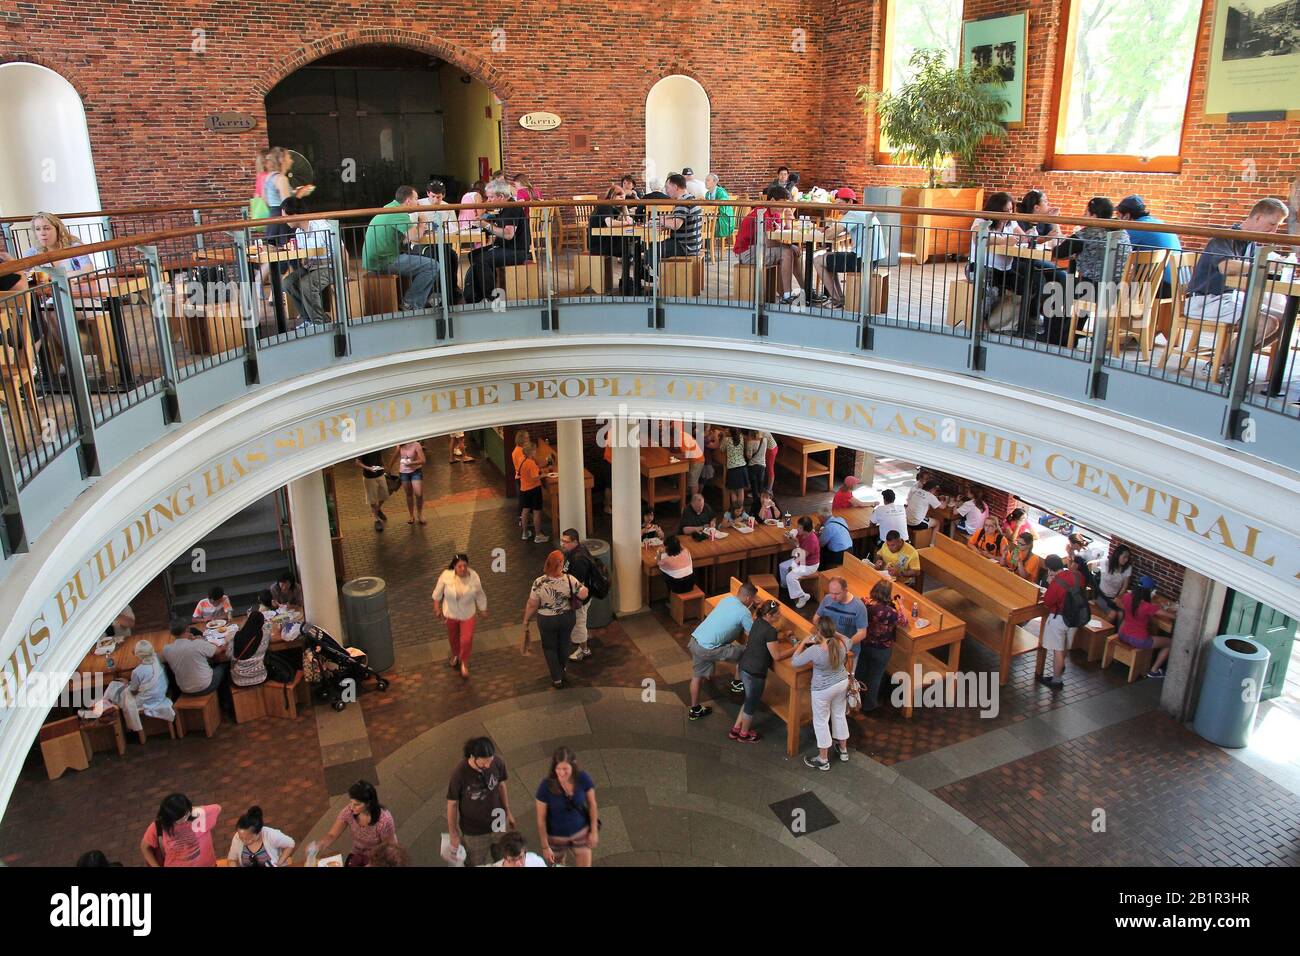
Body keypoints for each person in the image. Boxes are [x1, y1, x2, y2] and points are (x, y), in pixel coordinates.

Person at [1183, 198, 1290, 376]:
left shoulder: (1251, 243)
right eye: (1272, 224)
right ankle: (1222, 365)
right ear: (1258, 217)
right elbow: (1226, 267)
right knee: (1266, 322)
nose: (1274, 231)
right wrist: (1263, 265)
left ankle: (1228, 362)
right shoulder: (1225, 238)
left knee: (1286, 319)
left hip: (1230, 297)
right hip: (1204, 300)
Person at [21, 213, 91, 381]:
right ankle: (32, 369)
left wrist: (60, 276)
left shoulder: (73, 246)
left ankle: (72, 365)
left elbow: (88, 269)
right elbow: (23, 275)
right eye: (38, 229)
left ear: (57, 229)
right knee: (36, 316)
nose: (42, 233)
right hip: (47, 300)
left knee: (48, 312)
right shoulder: (33, 252)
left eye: (46, 228)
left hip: (80, 299)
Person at [969, 191, 1043, 334]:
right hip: (980, 267)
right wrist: (1002, 240)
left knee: (1029, 285)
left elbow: (1023, 237)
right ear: (995, 210)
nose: (1008, 213)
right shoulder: (982, 221)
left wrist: (1027, 236)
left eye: (1010, 210)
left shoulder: (1011, 222)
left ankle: (1015, 321)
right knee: (992, 288)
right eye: (1005, 211)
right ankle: (980, 320)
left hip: (1005, 269)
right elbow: (977, 238)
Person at [361, 185, 439, 311]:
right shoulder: (399, 214)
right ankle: (411, 303)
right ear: (408, 201)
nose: (418, 203)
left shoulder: (389, 208)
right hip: (385, 261)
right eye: (416, 199)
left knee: (420, 260)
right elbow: (415, 237)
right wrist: (423, 221)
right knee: (432, 265)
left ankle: (416, 300)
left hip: (374, 259)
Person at [729, 599, 797, 742]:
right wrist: (796, 648)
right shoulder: (770, 630)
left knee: (748, 700)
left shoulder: (757, 621)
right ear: (769, 615)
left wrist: (782, 635)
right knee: (751, 704)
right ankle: (744, 734)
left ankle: (736, 729)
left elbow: (765, 637)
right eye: (777, 614)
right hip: (756, 672)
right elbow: (777, 656)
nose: (780, 616)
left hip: (745, 667)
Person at [687, 581, 757, 718]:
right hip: (708, 649)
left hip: (695, 640)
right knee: (746, 652)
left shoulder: (727, 599)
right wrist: (753, 612)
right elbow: (753, 634)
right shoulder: (745, 612)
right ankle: (737, 684)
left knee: (697, 676)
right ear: (749, 599)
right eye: (753, 599)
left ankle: (694, 709)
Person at [522, 550, 588, 688]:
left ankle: (556, 678)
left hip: (547, 620)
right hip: (567, 618)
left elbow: (532, 604)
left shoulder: (539, 582)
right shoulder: (569, 579)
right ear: (561, 564)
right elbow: (583, 594)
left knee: (549, 647)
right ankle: (562, 669)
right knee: (564, 644)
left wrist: (526, 620)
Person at [446, 737, 515, 867]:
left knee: (503, 857)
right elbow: (452, 803)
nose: (488, 766)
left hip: (498, 819)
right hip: (474, 830)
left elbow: (501, 785)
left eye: (490, 761)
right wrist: (453, 834)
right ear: (473, 757)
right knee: (476, 862)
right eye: (483, 763)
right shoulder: (460, 773)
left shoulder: (497, 762)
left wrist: (508, 811)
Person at [811, 188, 884, 307]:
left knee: (818, 260)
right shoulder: (861, 211)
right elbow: (839, 230)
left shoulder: (853, 213)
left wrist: (827, 230)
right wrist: (829, 229)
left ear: (850, 202)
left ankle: (836, 299)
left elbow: (830, 235)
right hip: (872, 258)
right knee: (829, 257)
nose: (838, 209)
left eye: (840, 204)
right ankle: (839, 297)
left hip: (862, 260)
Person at [794, 617, 851, 770]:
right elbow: (848, 640)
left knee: (821, 721)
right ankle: (843, 750)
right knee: (839, 714)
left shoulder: (815, 650)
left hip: (823, 689)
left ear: (819, 632)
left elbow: (795, 661)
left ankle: (823, 759)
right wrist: (834, 633)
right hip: (841, 683)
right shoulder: (841, 643)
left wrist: (802, 644)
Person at [464, 178, 531, 304]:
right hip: (504, 247)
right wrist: (486, 217)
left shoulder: (512, 208)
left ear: (501, 196)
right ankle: (477, 293)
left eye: (490, 198)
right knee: (473, 254)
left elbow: (508, 234)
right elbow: (500, 219)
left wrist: (486, 225)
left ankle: (490, 296)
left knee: (482, 259)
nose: (488, 201)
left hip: (516, 251)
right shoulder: (505, 207)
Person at [734, 185, 802, 302]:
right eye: (782, 204)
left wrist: (789, 221)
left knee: (793, 252)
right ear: (772, 200)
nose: (784, 207)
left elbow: (780, 234)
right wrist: (789, 246)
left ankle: (805, 290)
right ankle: (786, 295)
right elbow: (768, 242)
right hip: (746, 252)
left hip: (759, 247)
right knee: (787, 253)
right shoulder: (762, 213)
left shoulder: (775, 213)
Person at [534, 746, 599, 866]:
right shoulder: (546, 786)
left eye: (565, 768)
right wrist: (545, 847)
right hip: (556, 838)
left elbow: (592, 805)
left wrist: (594, 831)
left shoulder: (583, 778)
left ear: (573, 765)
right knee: (558, 865)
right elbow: (541, 819)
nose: (561, 772)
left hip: (581, 833)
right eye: (558, 768)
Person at [277, 196, 335, 325]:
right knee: (287, 283)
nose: (284, 221)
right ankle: (309, 319)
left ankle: (319, 324)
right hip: (311, 267)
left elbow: (341, 250)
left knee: (306, 284)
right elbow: (305, 258)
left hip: (330, 266)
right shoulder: (298, 232)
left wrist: (344, 275)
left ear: (295, 214)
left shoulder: (321, 226)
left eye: (285, 216)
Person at [315, 780, 399, 867]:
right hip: (357, 853)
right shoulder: (349, 811)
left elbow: (389, 849)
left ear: (369, 803)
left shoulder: (384, 820)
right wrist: (320, 844)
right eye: (351, 802)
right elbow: (332, 835)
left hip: (377, 857)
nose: (351, 807)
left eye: (357, 804)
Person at [433, 552, 488, 679]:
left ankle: (464, 661)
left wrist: (483, 609)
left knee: (466, 639)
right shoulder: (446, 576)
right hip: (450, 613)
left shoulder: (474, 577)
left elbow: (480, 594)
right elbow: (437, 593)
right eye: (459, 566)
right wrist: (436, 608)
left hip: (467, 613)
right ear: (454, 567)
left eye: (465, 566)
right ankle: (455, 654)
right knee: (453, 637)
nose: (463, 569)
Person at [100, 639, 174, 733]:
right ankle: (105, 705)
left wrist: (128, 684)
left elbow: (133, 691)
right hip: (160, 692)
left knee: (113, 686)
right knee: (117, 687)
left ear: (138, 655)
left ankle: (107, 707)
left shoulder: (138, 671)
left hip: (146, 700)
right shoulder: (156, 660)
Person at [1115, 195, 1182, 297]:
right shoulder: (1157, 222)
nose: (1116, 219)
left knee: (1110, 289)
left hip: (1161, 286)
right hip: (1180, 283)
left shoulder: (1134, 227)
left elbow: (1116, 251)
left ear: (1127, 216)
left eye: (1118, 215)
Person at [1039, 554, 1085, 688]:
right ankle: (1058, 672)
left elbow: (1048, 602)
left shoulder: (1056, 583)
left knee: (1058, 650)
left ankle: (1057, 680)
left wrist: (1050, 583)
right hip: (1076, 618)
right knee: (1065, 647)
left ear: (1049, 569)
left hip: (1060, 618)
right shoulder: (1077, 576)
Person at [856, 580, 901, 711]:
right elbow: (903, 620)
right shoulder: (890, 612)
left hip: (864, 643)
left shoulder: (864, 603)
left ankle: (854, 700)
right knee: (876, 675)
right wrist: (900, 603)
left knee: (860, 670)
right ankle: (869, 704)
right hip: (882, 648)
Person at [140, 794, 220, 867]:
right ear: (168, 817)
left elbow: (218, 808)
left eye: (186, 814)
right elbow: (145, 847)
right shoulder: (158, 827)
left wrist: (189, 810)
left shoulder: (199, 814)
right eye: (180, 818)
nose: (185, 819)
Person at [1117, 579, 1175, 677]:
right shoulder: (1147, 607)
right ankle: (1154, 670)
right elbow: (1172, 616)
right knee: (1170, 643)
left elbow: (1121, 604)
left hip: (1122, 634)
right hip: (1139, 640)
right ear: (1149, 592)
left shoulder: (1127, 597)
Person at [416, 179, 462, 302]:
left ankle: (451, 289)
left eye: (439, 197)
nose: (436, 200)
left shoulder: (447, 207)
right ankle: (434, 292)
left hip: (442, 242)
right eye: (433, 197)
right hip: (423, 244)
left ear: (443, 196)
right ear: (427, 193)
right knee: (436, 257)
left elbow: (455, 226)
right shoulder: (418, 205)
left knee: (452, 256)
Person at [261, 146, 316, 246]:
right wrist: (300, 193)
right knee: (288, 255)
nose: (291, 160)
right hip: (284, 223)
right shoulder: (282, 179)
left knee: (275, 256)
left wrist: (293, 193)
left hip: (273, 221)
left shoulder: (269, 177)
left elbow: (266, 200)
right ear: (282, 159)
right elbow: (288, 205)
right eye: (289, 157)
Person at [589, 185, 637, 291]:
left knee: (629, 248)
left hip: (605, 240)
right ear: (612, 196)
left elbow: (628, 219)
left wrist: (624, 207)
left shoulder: (612, 207)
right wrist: (626, 222)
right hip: (598, 244)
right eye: (620, 197)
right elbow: (609, 223)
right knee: (628, 250)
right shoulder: (605, 205)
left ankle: (626, 280)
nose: (622, 200)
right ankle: (626, 281)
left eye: (624, 198)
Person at [162, 619, 229, 694]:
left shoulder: (166, 649)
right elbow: (219, 650)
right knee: (225, 665)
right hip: (205, 686)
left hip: (184, 689)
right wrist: (226, 641)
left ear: (171, 633)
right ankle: (226, 701)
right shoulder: (198, 643)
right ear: (188, 629)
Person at [561, 529, 597, 662]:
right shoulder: (575, 552)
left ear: (575, 542)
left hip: (580, 598)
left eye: (566, 542)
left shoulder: (578, 559)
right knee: (581, 619)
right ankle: (584, 637)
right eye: (562, 540)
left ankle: (584, 649)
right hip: (582, 594)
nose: (562, 544)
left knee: (579, 621)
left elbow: (577, 583)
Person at [812, 576, 869, 659]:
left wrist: (846, 644)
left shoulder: (859, 606)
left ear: (845, 590)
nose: (833, 597)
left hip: (847, 652)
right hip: (827, 646)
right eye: (831, 592)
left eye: (837, 594)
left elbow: (862, 633)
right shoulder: (827, 599)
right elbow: (816, 618)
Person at [652, 173, 702, 264]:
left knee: (651, 252)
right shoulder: (691, 198)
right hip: (693, 245)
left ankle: (656, 277)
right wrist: (666, 224)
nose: (666, 191)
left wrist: (661, 219)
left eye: (667, 187)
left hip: (684, 246)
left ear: (675, 187)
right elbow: (683, 221)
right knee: (655, 248)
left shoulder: (682, 202)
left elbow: (676, 225)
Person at [230, 591, 274, 687]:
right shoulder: (265, 635)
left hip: (239, 680)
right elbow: (269, 634)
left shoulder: (236, 636)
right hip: (260, 676)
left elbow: (229, 655)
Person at [227, 806, 296, 867]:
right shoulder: (237, 837)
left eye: (248, 838)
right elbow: (232, 859)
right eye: (241, 837)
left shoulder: (270, 834)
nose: (244, 841)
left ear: (259, 832)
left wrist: (279, 863)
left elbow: (290, 843)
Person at [779, 516, 821, 609]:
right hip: (801, 561)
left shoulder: (812, 541)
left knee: (790, 577)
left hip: (810, 565)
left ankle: (802, 596)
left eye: (799, 527)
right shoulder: (802, 533)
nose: (797, 529)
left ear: (805, 529)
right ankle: (788, 588)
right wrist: (790, 537)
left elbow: (801, 556)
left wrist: (796, 543)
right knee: (782, 566)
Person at [517, 442, 548, 543]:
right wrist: (544, 475)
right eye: (535, 450)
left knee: (525, 511)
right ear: (531, 452)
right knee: (536, 512)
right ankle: (538, 535)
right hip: (534, 489)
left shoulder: (522, 459)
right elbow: (535, 477)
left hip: (524, 489)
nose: (536, 452)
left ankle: (525, 533)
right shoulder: (531, 463)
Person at [394, 437, 427, 524]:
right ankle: (411, 515)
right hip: (404, 473)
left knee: (418, 493)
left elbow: (423, 460)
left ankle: (419, 514)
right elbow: (395, 456)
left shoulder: (416, 444)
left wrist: (411, 463)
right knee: (409, 494)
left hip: (416, 471)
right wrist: (389, 467)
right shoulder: (400, 445)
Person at [356, 450, 390, 532]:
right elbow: (357, 462)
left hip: (380, 474)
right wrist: (368, 468)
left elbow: (380, 456)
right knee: (372, 499)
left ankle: (377, 510)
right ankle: (376, 519)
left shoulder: (377, 446)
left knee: (385, 495)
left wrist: (385, 467)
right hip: (369, 477)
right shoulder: (362, 449)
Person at [1096, 545, 1133, 618]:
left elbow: (1125, 586)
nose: (1126, 560)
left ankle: (1117, 630)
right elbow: (1093, 567)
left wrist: (1118, 597)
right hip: (1102, 596)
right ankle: (1106, 629)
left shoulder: (1128, 568)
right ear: (1117, 555)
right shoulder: (1105, 563)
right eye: (1124, 557)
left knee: (1122, 614)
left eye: (1128, 558)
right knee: (1113, 614)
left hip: (1115, 598)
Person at [718, 426, 748, 515]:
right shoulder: (741, 438)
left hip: (732, 469)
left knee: (732, 490)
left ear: (730, 432)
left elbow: (721, 449)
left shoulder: (727, 440)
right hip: (742, 467)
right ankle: (741, 510)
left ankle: (735, 510)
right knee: (740, 490)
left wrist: (723, 436)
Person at [704, 173, 735, 251]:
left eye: (708, 180)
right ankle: (706, 250)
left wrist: (713, 215)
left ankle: (708, 249)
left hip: (724, 219)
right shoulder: (707, 194)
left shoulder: (721, 192)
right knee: (702, 225)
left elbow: (723, 208)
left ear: (715, 182)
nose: (705, 182)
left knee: (706, 227)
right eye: (705, 180)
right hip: (713, 218)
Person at [817, 504, 853, 569]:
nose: (819, 520)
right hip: (850, 551)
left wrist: (817, 532)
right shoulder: (841, 519)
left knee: (818, 552)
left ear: (822, 518)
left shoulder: (828, 527)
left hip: (838, 555)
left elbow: (820, 544)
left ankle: (822, 572)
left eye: (819, 518)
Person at [744, 430, 776, 503]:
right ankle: (761, 497)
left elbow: (749, 456)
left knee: (755, 482)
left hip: (769, 451)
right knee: (760, 481)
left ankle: (766, 492)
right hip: (762, 462)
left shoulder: (752, 440)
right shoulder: (763, 439)